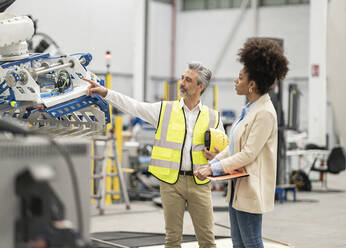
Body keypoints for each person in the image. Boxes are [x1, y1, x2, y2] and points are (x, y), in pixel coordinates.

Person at [84, 62, 224, 248]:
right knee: (172, 239)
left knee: (207, 240)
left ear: (201, 87)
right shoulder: (164, 110)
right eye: (182, 78)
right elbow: (133, 106)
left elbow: (224, 151)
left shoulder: (213, 117)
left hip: (200, 184)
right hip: (171, 183)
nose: (182, 82)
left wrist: (217, 156)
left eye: (188, 80)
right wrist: (106, 92)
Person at [195, 38, 289, 248]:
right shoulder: (249, 110)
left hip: (250, 188)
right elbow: (233, 146)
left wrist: (213, 168)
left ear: (252, 85)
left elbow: (248, 154)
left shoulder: (264, 113)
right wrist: (215, 160)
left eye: (240, 78)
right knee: (238, 243)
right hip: (237, 186)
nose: (236, 82)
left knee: (251, 242)